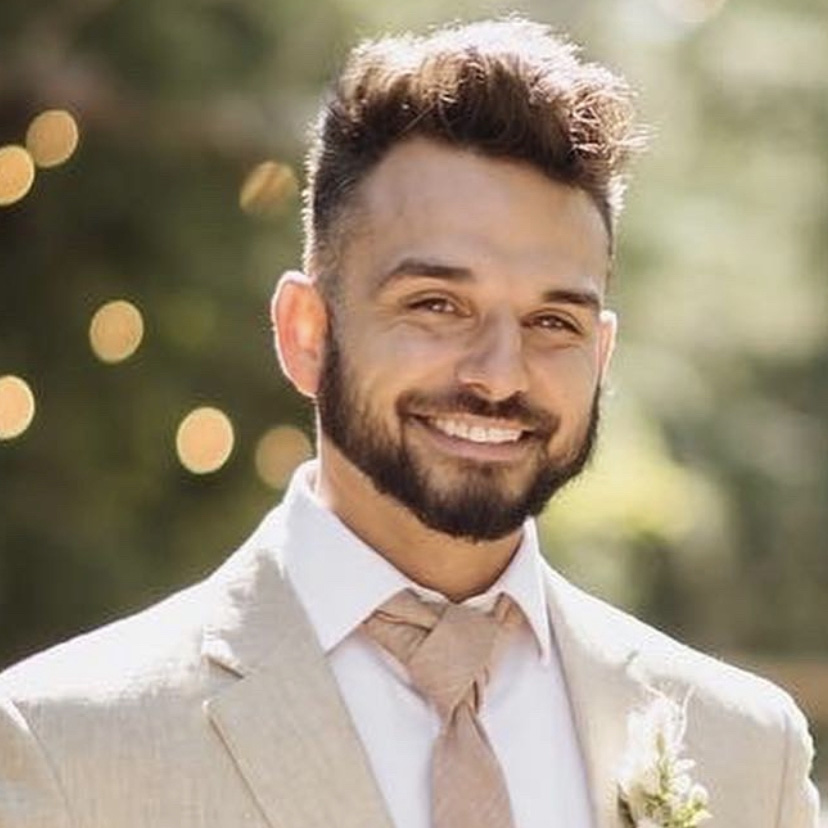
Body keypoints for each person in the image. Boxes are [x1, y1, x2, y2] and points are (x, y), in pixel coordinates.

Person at [0, 17, 819, 828]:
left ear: (600, 354)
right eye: (436, 305)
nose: (499, 375)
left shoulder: (747, 751)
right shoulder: (67, 746)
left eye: (552, 322)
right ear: (306, 332)